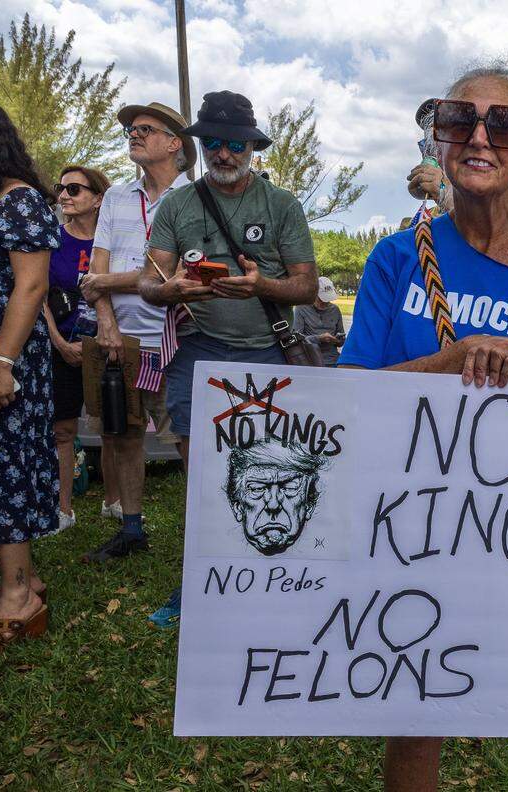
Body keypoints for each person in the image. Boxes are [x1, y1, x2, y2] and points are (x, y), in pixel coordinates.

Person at [339, 65, 508, 792]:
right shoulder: (398, 258)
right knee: (415, 710)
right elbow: (346, 400)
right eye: (461, 118)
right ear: (438, 140)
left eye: (506, 123)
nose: (481, 136)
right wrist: (453, 359)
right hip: (413, 533)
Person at [139, 90, 318, 627]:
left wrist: (263, 284)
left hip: (269, 353)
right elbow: (150, 283)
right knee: (203, 476)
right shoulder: (178, 204)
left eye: (233, 143)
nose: (222, 153)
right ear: (199, 145)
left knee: (270, 471)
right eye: (212, 142)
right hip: (199, 353)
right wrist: (172, 291)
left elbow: (307, 286)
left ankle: (273, 578)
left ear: (251, 147)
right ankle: (199, 582)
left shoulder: (281, 205)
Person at [0, 94, 59, 655]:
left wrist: (1, 364)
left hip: (10, 357)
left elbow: (30, 287)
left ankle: (19, 598)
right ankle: (24, 579)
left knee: (5, 467)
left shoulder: (18, 202)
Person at [79, 102, 195, 564]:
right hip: (121, 337)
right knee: (124, 433)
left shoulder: (195, 198)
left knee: (188, 437)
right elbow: (97, 265)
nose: (134, 134)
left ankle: (201, 535)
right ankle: (131, 528)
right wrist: (105, 321)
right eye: (131, 129)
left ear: (174, 144)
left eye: (145, 129)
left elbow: (173, 274)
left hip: (180, 337)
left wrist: (103, 283)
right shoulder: (116, 197)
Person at [44, 165, 110, 531]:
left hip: (109, 344)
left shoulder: (112, 238)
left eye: (74, 189)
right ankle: (63, 509)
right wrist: (58, 342)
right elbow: (36, 294)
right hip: (62, 346)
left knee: (115, 428)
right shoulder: (52, 239)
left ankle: (114, 502)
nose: (64, 195)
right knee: (63, 430)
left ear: (98, 199)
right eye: (61, 188)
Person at [293, 276, 346, 365]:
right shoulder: (301, 308)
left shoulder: (335, 310)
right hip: (310, 359)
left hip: (332, 359)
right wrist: (318, 338)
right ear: (314, 294)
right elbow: (296, 340)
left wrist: (337, 340)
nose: (325, 303)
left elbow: (341, 341)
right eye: (321, 300)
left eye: (328, 300)